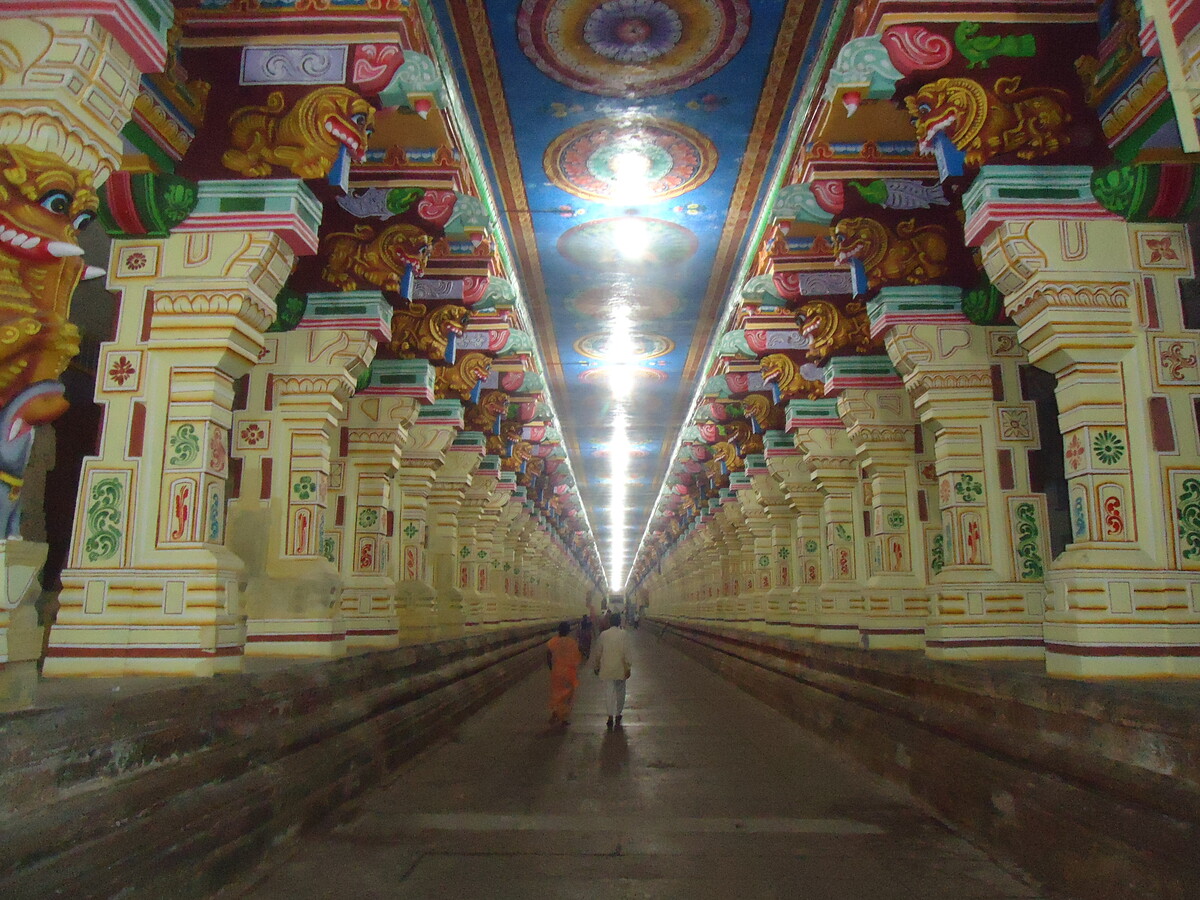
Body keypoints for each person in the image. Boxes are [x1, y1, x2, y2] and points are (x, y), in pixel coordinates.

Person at [592, 612, 631, 731]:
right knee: (620, 691)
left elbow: (598, 652)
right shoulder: (624, 634)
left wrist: (597, 665)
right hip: (620, 668)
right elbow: (627, 653)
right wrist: (628, 667)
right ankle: (618, 713)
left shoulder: (604, 635)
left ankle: (610, 715)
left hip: (607, 668)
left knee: (609, 691)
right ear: (619, 621)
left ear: (609, 622)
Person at [545, 621, 583, 727]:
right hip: (569, 673)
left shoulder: (552, 641)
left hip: (557, 672)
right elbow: (577, 657)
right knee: (567, 696)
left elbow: (548, 655)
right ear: (568, 631)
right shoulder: (572, 642)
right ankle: (563, 718)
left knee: (557, 694)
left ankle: (556, 711)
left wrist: (551, 667)